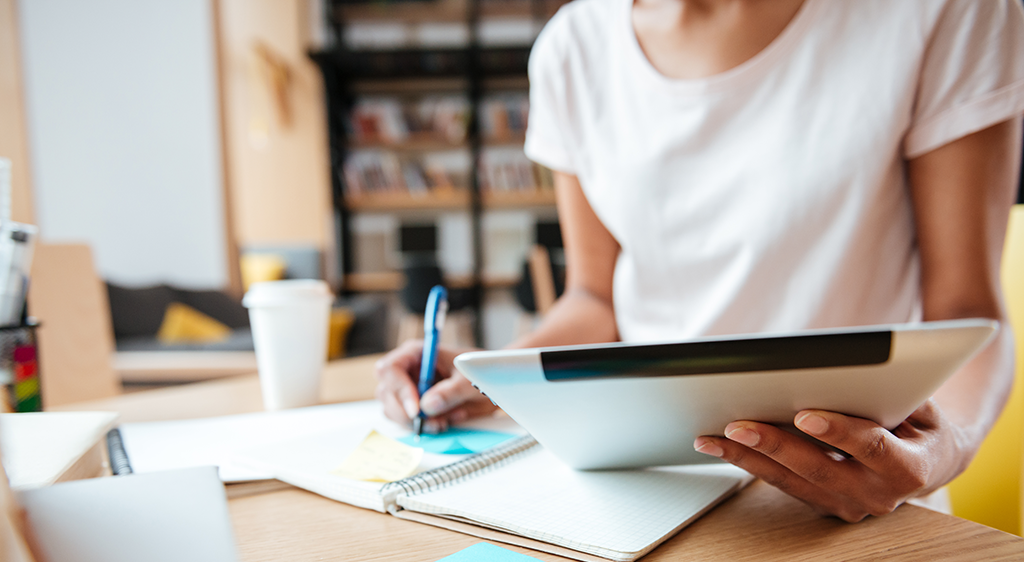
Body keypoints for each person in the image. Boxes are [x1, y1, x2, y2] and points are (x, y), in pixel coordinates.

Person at [376, 0, 1024, 522]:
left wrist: (947, 451)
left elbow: (967, 309)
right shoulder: (574, 46)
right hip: (646, 493)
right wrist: (489, 376)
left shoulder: (947, 12)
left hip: (858, 494)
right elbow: (594, 299)